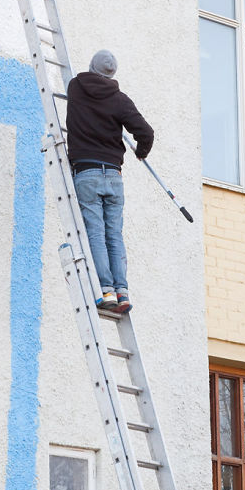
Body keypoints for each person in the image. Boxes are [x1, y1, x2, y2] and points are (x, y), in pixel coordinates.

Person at [66, 50, 154, 313]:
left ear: (92, 66)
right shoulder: (120, 101)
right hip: (113, 175)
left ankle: (106, 290)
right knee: (113, 235)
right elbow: (146, 133)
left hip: (87, 172)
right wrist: (140, 152)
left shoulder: (76, 87)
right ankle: (122, 291)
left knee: (95, 232)